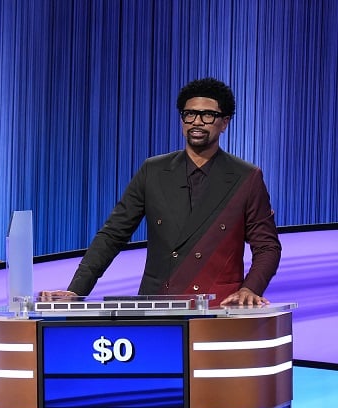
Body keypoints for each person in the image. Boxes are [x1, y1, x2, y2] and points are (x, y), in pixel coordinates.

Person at [40, 77, 280, 307]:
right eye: (189, 114)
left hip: (218, 307)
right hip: (159, 305)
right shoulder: (153, 171)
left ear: (224, 122)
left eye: (208, 115)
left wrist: (250, 289)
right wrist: (77, 290)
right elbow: (112, 235)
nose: (197, 122)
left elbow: (267, 246)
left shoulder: (246, 177)